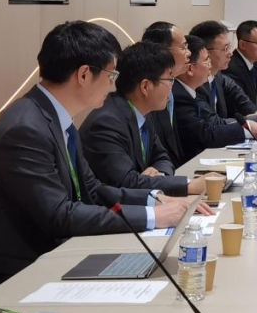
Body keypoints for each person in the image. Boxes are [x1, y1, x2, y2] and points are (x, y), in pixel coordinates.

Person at [0, 22, 205, 292]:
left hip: (61, 253)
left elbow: (92, 189)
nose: (113, 85)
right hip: (19, 275)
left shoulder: (55, 119)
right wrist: (153, 216)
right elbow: (59, 214)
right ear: (84, 74)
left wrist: (155, 199)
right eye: (111, 75)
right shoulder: (24, 130)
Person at [80, 42, 207, 197]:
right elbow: (126, 182)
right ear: (145, 86)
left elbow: (162, 157)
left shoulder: (142, 112)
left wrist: (159, 174)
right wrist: (188, 185)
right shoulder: (106, 123)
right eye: (170, 79)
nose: (172, 87)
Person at [173, 35, 257, 162]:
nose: (210, 65)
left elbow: (215, 123)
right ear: (190, 68)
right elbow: (205, 134)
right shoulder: (179, 95)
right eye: (206, 60)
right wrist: (246, 129)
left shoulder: (193, 90)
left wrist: (250, 124)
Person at [190, 20, 257, 123]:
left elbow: (245, 103)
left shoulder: (219, 76)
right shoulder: (197, 82)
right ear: (204, 52)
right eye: (225, 48)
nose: (230, 53)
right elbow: (215, 122)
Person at [140, 21, 189, 167]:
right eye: (183, 47)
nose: (189, 53)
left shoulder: (171, 90)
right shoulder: (148, 95)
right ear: (162, 52)